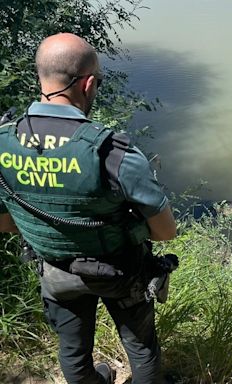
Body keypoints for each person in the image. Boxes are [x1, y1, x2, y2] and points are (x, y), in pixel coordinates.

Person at [0, 33, 176, 384]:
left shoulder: (4, 142)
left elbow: (5, 222)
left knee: (72, 350)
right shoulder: (113, 152)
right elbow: (166, 231)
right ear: (89, 83)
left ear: (40, 77)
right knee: (141, 350)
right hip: (120, 274)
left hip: (55, 273)